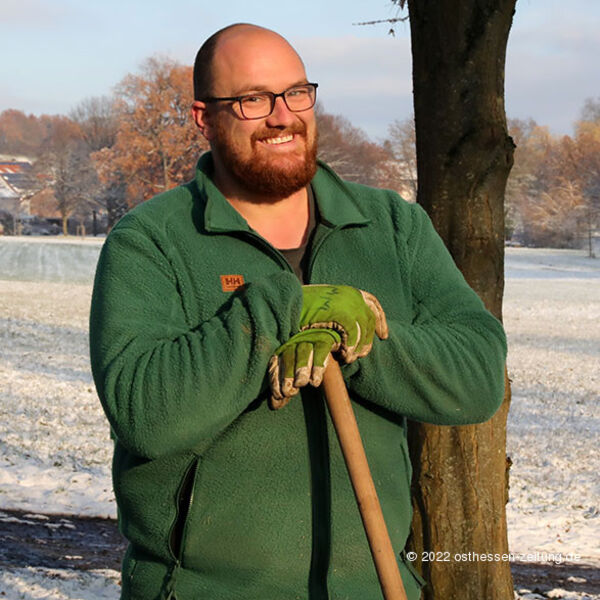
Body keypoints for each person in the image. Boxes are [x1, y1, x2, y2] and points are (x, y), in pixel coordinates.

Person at [89, 23, 507, 600]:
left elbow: (479, 375)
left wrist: (355, 340)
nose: (283, 116)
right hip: (203, 591)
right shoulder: (152, 240)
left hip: (375, 587)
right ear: (202, 117)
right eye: (253, 99)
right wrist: (284, 308)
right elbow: (146, 412)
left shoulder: (392, 226)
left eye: (296, 93)